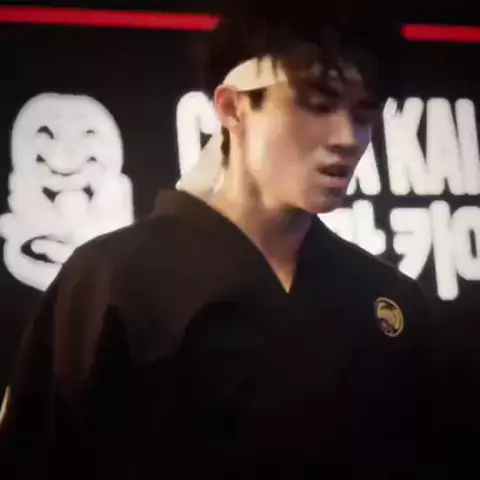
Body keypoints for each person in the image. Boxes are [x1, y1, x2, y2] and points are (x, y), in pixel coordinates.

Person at [0, 2, 457, 478]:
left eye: (363, 114)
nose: (347, 137)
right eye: (319, 104)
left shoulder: (390, 303)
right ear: (233, 107)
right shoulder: (110, 282)